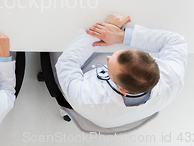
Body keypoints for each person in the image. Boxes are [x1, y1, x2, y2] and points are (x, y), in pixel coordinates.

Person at [55, 13, 187, 128]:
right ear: (150, 59)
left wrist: (100, 31)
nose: (108, 57)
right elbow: (176, 41)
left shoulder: (86, 99)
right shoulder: (173, 76)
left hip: (103, 116)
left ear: (122, 89)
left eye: (109, 66)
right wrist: (122, 36)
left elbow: (67, 62)